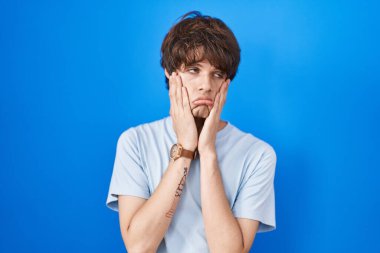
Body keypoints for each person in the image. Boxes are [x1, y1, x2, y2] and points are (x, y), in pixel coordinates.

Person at [106, 10, 277, 253]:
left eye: (217, 74)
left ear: (226, 83)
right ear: (171, 72)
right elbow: (139, 247)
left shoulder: (258, 154)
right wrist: (186, 148)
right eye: (194, 70)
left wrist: (207, 153)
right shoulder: (135, 142)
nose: (206, 85)